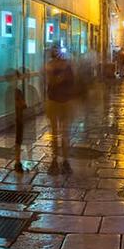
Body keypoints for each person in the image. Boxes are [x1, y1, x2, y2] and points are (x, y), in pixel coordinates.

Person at [43, 45, 76, 174]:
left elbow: (73, 82)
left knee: (63, 133)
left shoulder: (66, 66)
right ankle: (56, 159)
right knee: (55, 133)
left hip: (63, 102)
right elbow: (50, 82)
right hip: (55, 101)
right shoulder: (52, 66)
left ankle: (64, 160)